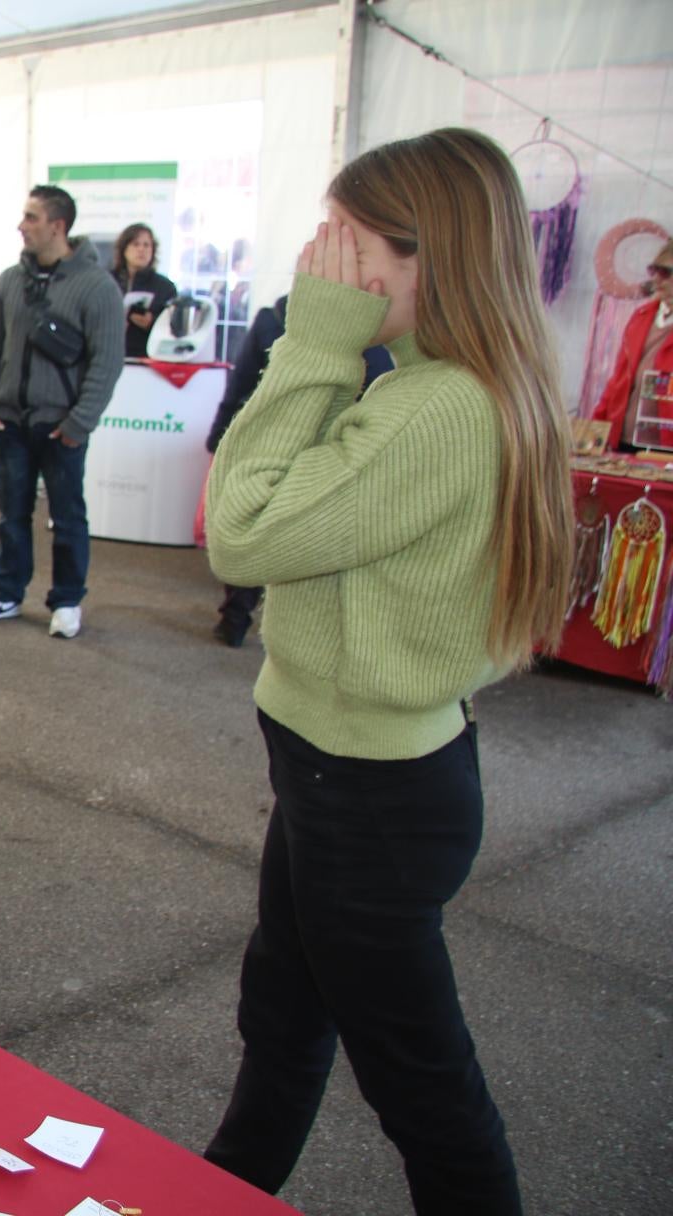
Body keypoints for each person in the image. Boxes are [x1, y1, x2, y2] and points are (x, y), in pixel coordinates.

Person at [202, 127, 572, 1214]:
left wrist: (311, 347)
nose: (326, 263)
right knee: (284, 1014)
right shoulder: (435, 382)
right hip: (349, 772)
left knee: (420, 1085)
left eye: (351, 240)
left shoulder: (438, 405)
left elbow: (240, 532)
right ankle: (223, 1188)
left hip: (369, 795)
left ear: (432, 255)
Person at [0, 185, 124, 639]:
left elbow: (107, 363)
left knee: (68, 515)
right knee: (10, 514)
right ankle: (7, 591)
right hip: (10, 422)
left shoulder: (96, 287)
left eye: (31, 217)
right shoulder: (10, 282)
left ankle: (68, 599)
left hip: (61, 427)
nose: (22, 225)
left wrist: (79, 422)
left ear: (58, 226)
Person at [204, 295, 393, 646]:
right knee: (257, 529)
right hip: (302, 452)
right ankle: (239, 617)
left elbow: (241, 385)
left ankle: (239, 617)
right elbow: (242, 383)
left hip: (317, 454)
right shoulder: (277, 321)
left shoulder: (364, 328)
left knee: (268, 530)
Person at [592, 238, 673, 451]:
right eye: (653, 270)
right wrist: (597, 426)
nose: (657, 279)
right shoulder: (641, 317)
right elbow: (619, 379)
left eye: (665, 272)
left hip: (665, 445)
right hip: (624, 437)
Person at [110, 222, 177, 359]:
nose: (141, 250)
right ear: (124, 248)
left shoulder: (165, 287)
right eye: (136, 244)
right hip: (109, 353)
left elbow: (174, 327)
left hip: (146, 357)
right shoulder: (106, 280)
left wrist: (152, 323)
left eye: (146, 245)